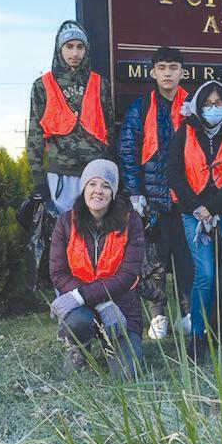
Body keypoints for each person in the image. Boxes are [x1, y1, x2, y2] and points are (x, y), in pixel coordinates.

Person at [168, 81, 222, 362]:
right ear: (198, 106)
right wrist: (198, 208)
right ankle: (198, 335)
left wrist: (212, 208)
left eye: (219, 103)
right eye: (208, 104)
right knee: (204, 272)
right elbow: (174, 174)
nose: (213, 108)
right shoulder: (184, 132)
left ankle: (220, 332)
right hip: (193, 212)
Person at [118, 46, 192, 339]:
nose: (167, 73)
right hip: (151, 199)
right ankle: (158, 316)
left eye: (173, 68)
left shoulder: (193, 107)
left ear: (182, 72)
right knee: (153, 263)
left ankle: (187, 314)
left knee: (187, 260)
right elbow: (128, 150)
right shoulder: (141, 108)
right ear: (153, 72)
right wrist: (134, 192)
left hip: (186, 199)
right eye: (162, 68)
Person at [48, 160, 144, 379]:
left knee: (127, 374)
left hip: (122, 307)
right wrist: (99, 301)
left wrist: (83, 296)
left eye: (106, 186)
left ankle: (112, 345)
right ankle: (78, 347)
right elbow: (58, 273)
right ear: (84, 188)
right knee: (78, 322)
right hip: (84, 308)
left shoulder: (131, 222)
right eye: (92, 184)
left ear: (113, 192)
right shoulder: (65, 222)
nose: (98, 190)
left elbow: (127, 276)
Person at [27, 20, 114, 214]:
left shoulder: (101, 84)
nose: (75, 53)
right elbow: (34, 136)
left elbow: (110, 131)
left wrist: (112, 172)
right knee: (64, 230)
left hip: (96, 175)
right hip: (60, 176)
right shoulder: (42, 85)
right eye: (69, 46)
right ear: (60, 48)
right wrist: (39, 181)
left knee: (97, 230)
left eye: (80, 47)